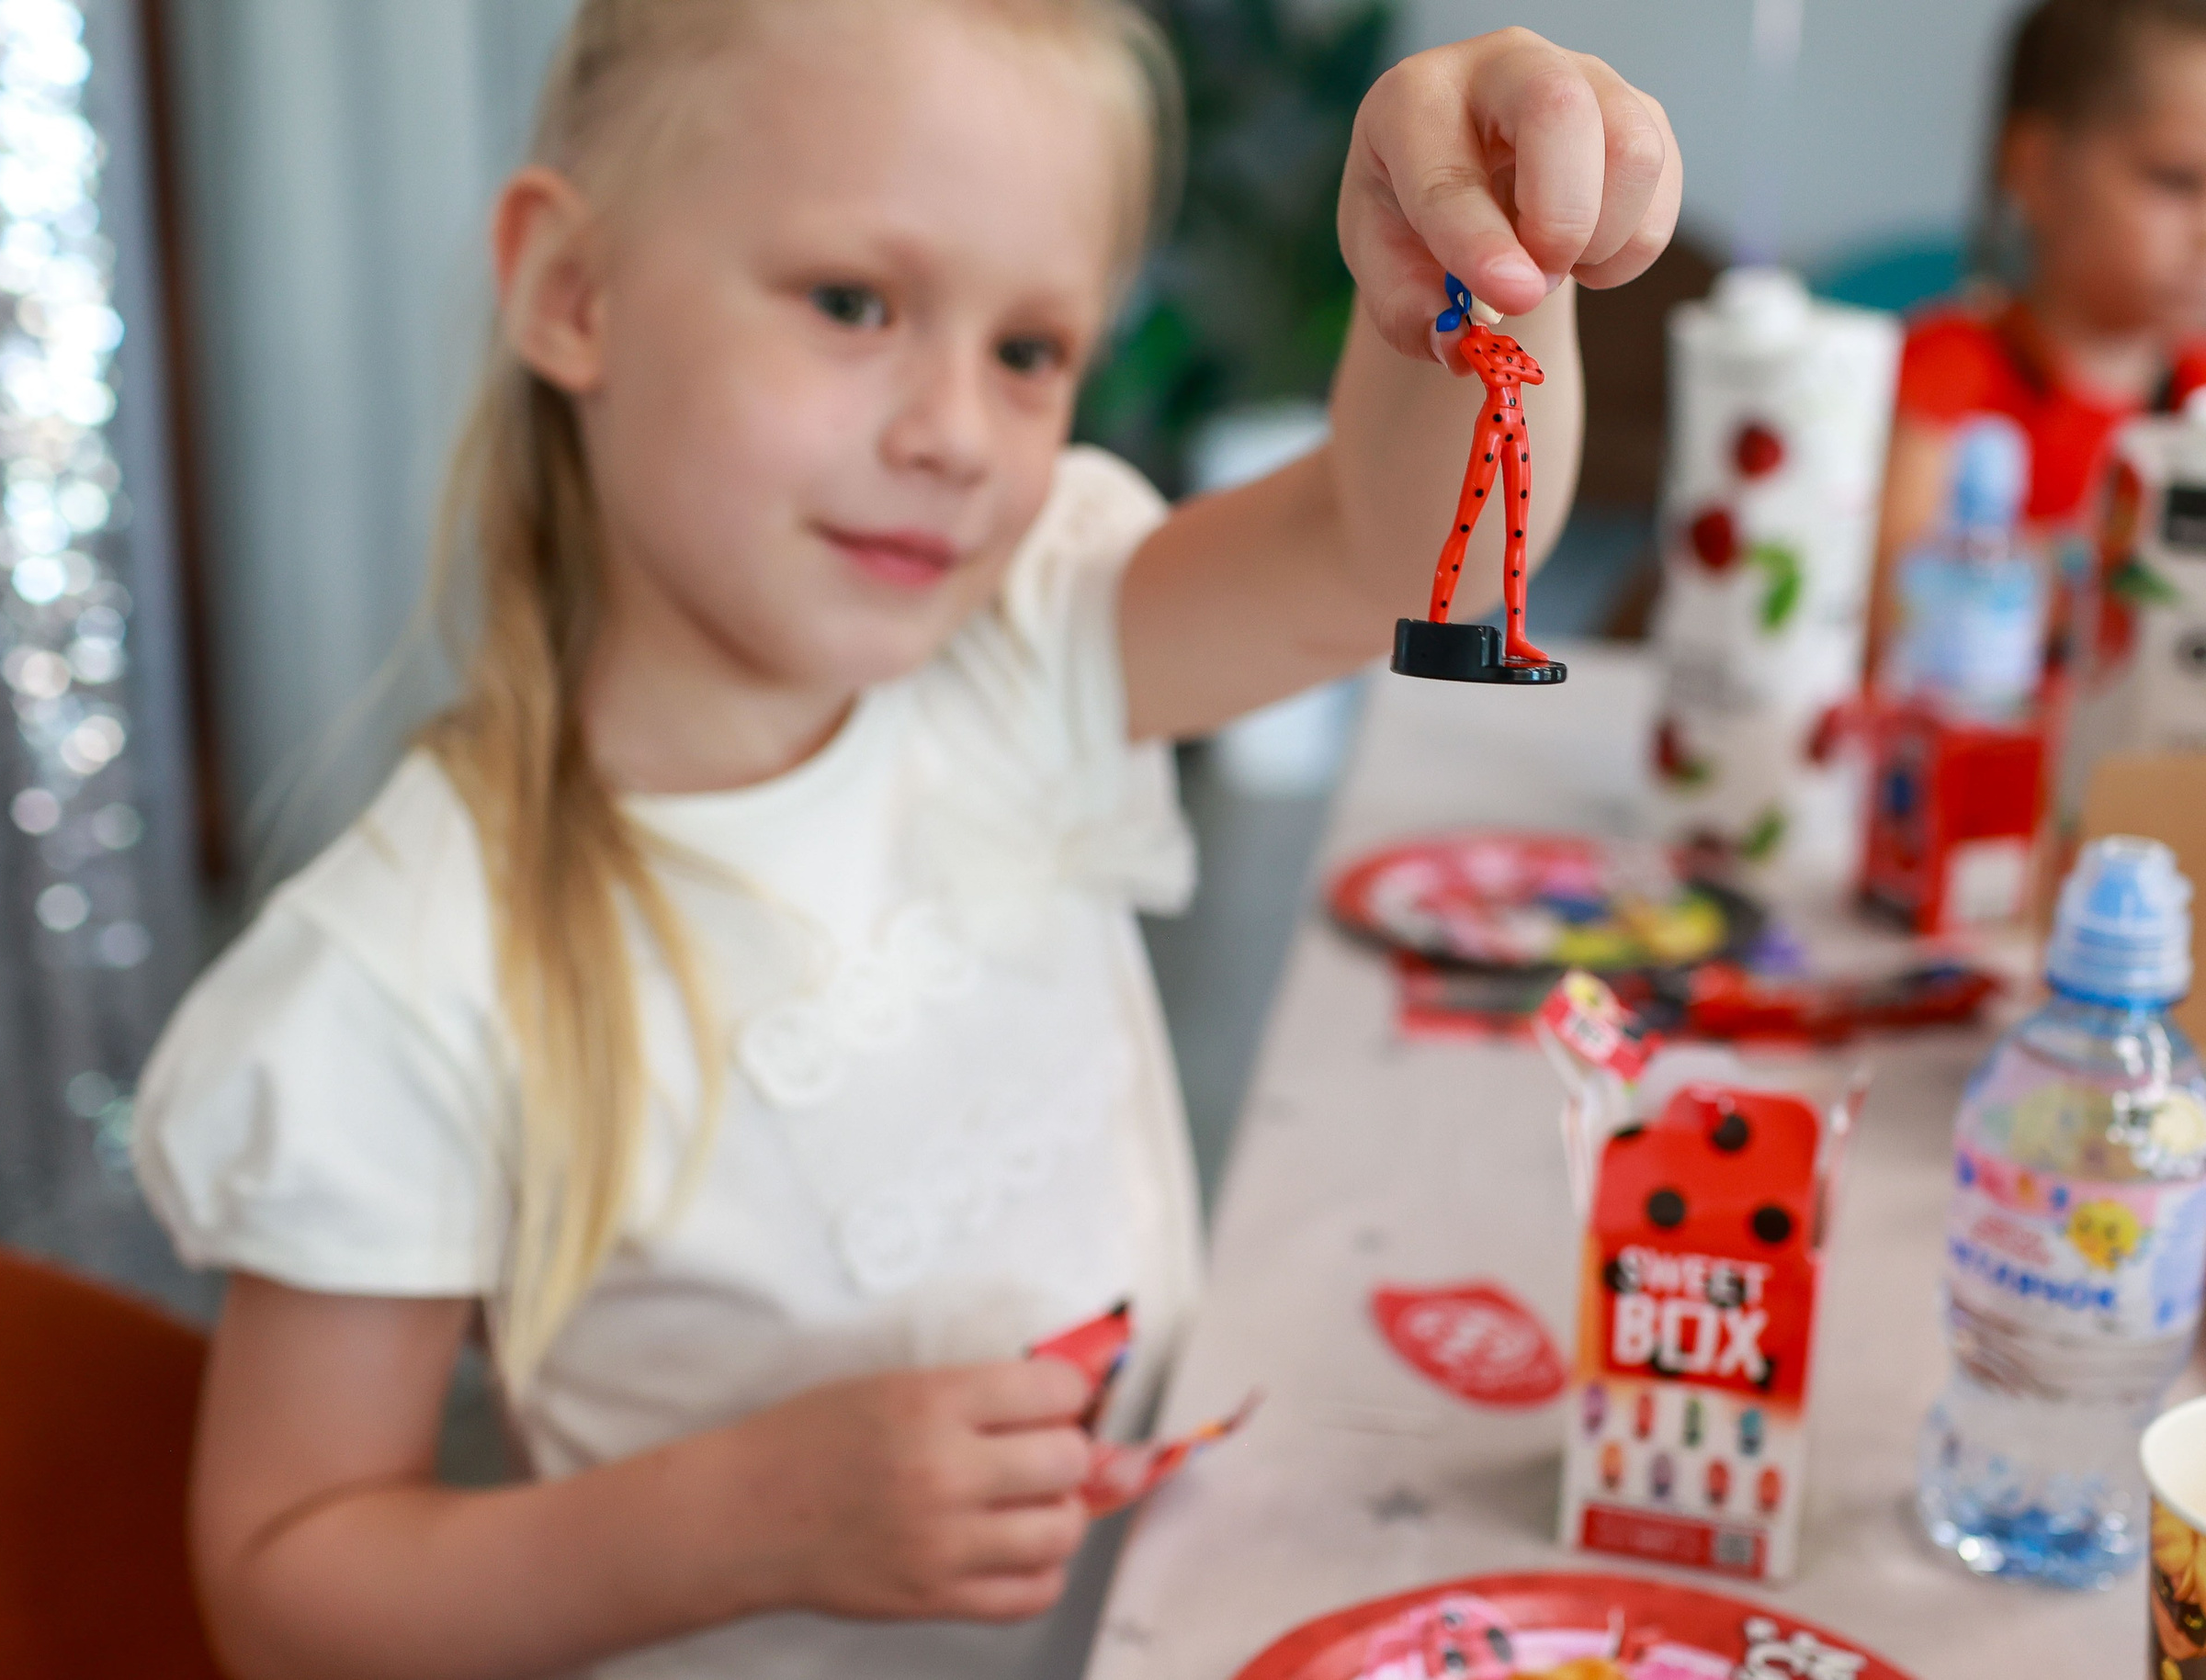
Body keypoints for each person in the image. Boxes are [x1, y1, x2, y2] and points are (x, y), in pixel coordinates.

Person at [132, 5, 1679, 1677]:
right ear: (573, 292)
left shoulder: (1021, 643)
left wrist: (1470, 263)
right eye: (855, 303)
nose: (954, 430)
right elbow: (288, 1590)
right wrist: (742, 1513)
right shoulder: (403, 976)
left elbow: (1405, 558)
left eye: (1029, 349)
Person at [1876, 0, 2206, 653]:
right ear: (2036, 169)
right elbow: (1890, 613)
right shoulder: (1950, 367)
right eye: (2177, 181)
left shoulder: (2197, 390)